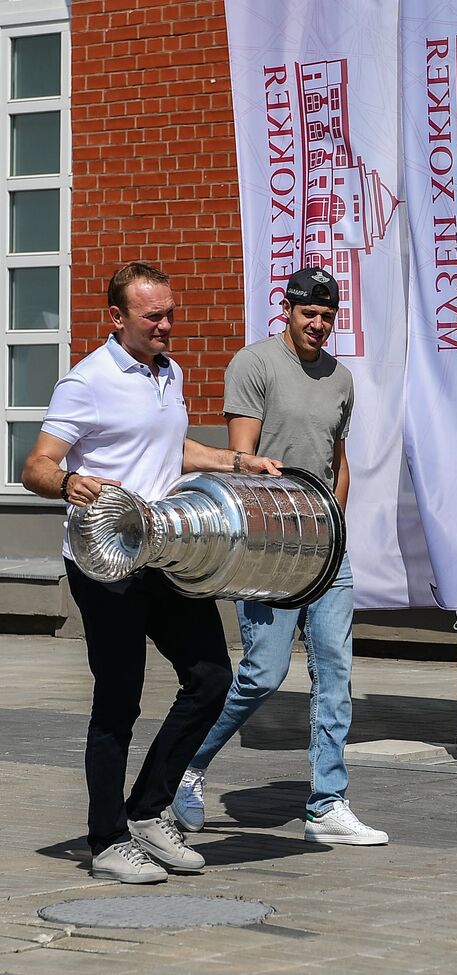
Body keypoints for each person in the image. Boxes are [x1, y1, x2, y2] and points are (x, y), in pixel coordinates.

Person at [22, 262, 282, 884]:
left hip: (164, 549)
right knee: (120, 700)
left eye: (170, 312)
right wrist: (67, 482)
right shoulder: (86, 382)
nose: (168, 324)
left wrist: (237, 461)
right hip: (105, 559)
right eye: (154, 316)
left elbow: (172, 447)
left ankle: (147, 810)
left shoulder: (170, 373)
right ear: (118, 318)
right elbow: (36, 464)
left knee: (211, 676)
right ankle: (108, 840)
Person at [172, 267, 388, 846]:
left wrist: (335, 521)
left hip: (325, 545)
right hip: (268, 544)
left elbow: (336, 458)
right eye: (307, 313)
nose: (317, 324)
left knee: (336, 674)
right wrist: (259, 539)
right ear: (287, 310)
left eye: (327, 316)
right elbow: (241, 461)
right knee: (263, 674)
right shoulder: (255, 364)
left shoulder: (340, 378)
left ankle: (327, 803)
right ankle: (183, 769)